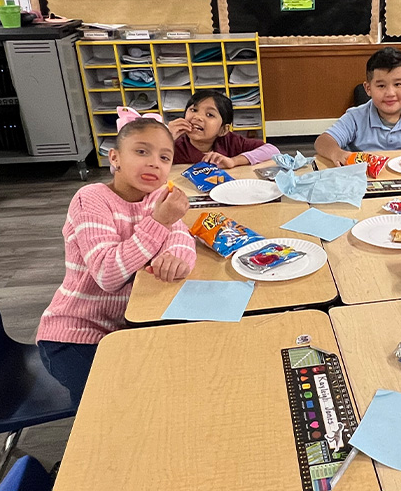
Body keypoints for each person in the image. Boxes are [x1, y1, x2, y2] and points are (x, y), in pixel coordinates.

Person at [36, 115, 197, 406]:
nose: (154, 163)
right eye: (141, 151)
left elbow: (181, 235)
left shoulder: (156, 196)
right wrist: (159, 222)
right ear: (115, 158)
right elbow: (108, 274)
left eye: (164, 157)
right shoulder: (91, 199)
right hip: (74, 336)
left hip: (125, 325)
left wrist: (177, 257)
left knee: (174, 379)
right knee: (115, 407)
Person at [168, 90, 279, 167]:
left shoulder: (230, 141)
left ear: (223, 130)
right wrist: (166, 138)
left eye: (210, 115)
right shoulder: (174, 144)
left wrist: (234, 161)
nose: (198, 117)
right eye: (194, 110)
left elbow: (272, 151)